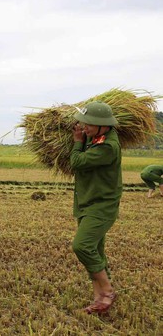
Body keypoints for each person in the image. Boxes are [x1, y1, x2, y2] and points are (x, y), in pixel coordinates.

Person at [70, 101, 121, 314]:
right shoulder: (97, 138)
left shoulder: (108, 147)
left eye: (89, 124)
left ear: (103, 125)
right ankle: (99, 299)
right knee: (97, 251)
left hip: (101, 205)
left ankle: (107, 290)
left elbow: (76, 162)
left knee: (82, 246)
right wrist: (84, 139)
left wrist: (77, 141)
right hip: (87, 202)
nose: (85, 127)